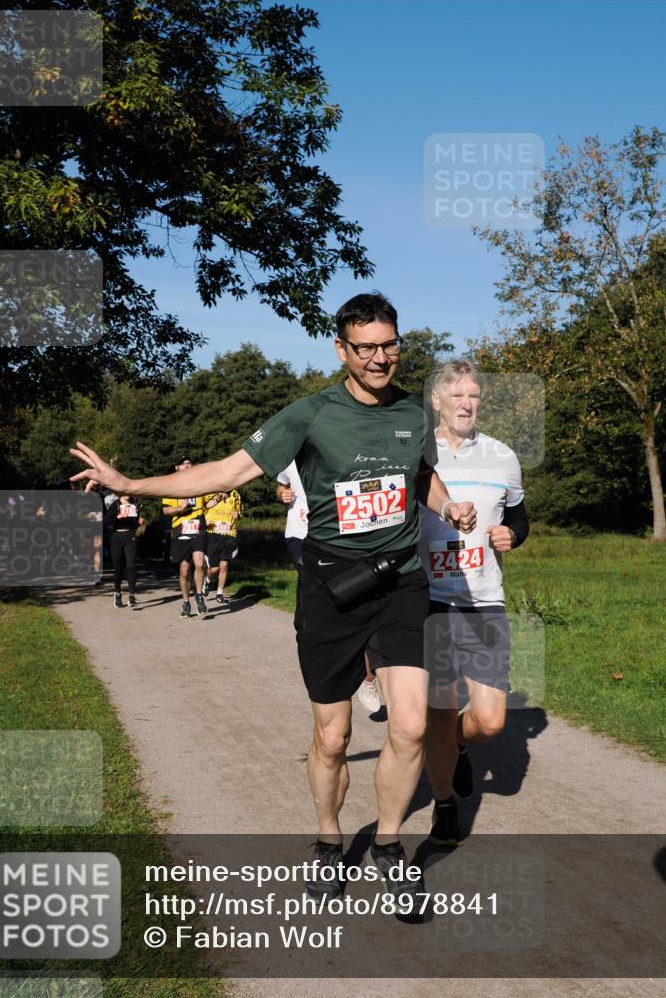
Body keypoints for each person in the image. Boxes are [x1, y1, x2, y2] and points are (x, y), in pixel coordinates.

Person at [70, 292, 476, 903]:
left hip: (401, 580)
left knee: (412, 725)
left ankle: (390, 846)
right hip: (331, 586)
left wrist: (446, 506)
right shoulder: (309, 414)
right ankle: (329, 839)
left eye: (389, 345)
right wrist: (130, 484)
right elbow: (228, 472)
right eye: (365, 347)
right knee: (334, 736)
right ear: (342, 349)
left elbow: (420, 475)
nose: (379, 357)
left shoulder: (415, 414)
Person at [420, 359, 529, 846]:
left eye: (474, 396)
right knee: (438, 713)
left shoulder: (503, 456)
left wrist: (513, 534)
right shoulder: (418, 456)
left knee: (489, 720)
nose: (466, 403)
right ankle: (444, 806)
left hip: (484, 601)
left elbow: (520, 518)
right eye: (457, 395)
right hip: (430, 602)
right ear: (437, 401)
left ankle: (460, 748)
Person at [277, 462, 382, 715]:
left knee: (356, 601)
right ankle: (326, 668)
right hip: (300, 536)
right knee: (317, 606)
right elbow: (281, 484)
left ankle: (367, 676)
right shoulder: (289, 451)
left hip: (342, 536)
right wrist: (282, 494)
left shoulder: (344, 446)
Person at [162, 458, 210, 619]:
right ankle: (186, 601)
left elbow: (208, 503)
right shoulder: (171, 486)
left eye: (190, 463)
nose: (187, 465)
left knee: (199, 562)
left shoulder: (200, 485)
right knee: (184, 570)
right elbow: (166, 511)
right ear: (177, 468)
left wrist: (219, 498)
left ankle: (199, 596)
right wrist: (179, 509)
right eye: (184, 463)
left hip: (198, 528)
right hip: (180, 530)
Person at [203, 489, 243, 604]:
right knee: (214, 568)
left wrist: (238, 515)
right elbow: (201, 510)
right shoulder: (210, 493)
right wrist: (204, 520)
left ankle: (219, 593)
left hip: (229, 534)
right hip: (212, 534)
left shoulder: (235, 494)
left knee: (224, 565)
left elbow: (241, 512)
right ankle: (208, 580)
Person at [105, 494, 144, 608]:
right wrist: (118, 517)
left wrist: (139, 522)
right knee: (118, 568)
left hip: (131, 537)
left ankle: (131, 595)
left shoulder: (135, 504)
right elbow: (106, 522)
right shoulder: (115, 505)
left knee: (131, 566)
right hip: (117, 537)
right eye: (125, 491)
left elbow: (136, 522)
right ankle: (117, 593)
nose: (128, 493)